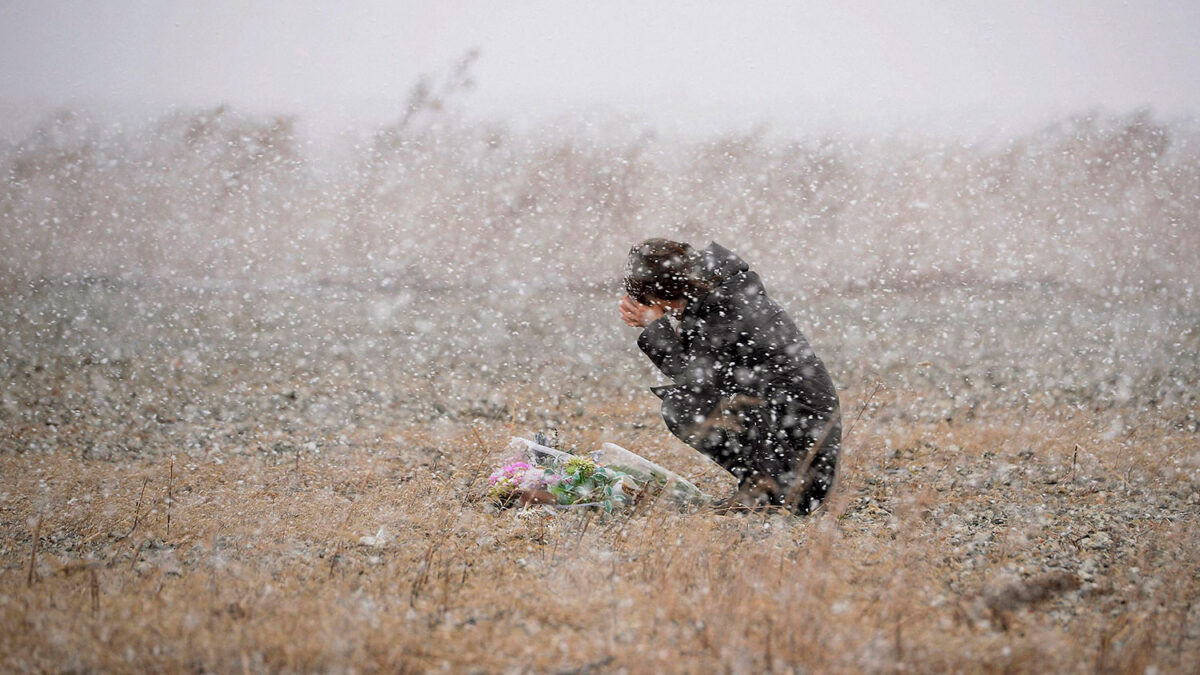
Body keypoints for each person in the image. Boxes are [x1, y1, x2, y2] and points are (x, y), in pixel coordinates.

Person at [619, 239, 840, 515]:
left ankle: (768, 492)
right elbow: (704, 370)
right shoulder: (717, 295)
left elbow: (694, 378)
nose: (655, 308)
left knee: (689, 406)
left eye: (651, 300)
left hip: (801, 451)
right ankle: (763, 487)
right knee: (686, 404)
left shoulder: (726, 305)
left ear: (666, 291)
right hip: (794, 438)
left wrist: (655, 326)